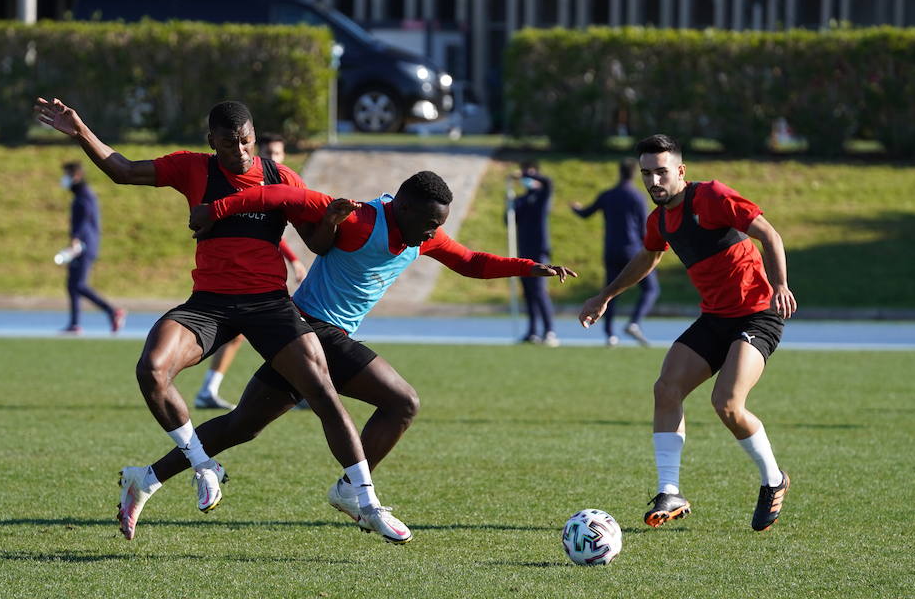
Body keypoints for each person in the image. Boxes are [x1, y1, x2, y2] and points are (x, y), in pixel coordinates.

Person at [113, 171, 576, 540]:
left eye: (440, 224)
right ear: (403, 206)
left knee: (241, 426)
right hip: (311, 329)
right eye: (430, 221)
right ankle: (355, 492)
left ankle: (145, 478)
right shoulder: (360, 220)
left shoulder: (421, 237)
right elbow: (278, 197)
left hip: (305, 337)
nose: (435, 231)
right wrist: (216, 208)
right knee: (403, 402)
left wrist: (530, 267)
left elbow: (471, 262)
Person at [34, 96, 406, 544]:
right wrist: (82, 133)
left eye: (247, 141)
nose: (241, 152)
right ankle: (201, 462)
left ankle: (365, 502)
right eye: (230, 145)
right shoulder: (193, 168)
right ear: (212, 142)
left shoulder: (278, 175)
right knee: (151, 370)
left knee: (320, 389)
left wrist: (328, 219)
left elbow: (318, 244)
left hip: (269, 304)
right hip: (209, 303)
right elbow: (124, 170)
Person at [577, 134, 797, 532]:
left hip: (757, 315)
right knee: (666, 389)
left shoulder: (711, 197)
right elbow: (648, 255)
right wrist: (606, 295)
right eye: (646, 173)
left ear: (680, 171)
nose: (653, 181)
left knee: (727, 404)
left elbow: (770, 235)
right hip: (715, 318)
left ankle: (774, 479)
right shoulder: (658, 220)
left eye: (661, 172)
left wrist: (780, 284)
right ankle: (670, 490)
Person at [194, 132, 307, 410]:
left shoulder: (281, 180)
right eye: (269, 151)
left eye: (279, 153)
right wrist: (293, 261)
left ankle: (301, 389)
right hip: (234, 278)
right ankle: (302, 389)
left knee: (269, 331)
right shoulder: (243, 183)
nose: (273, 157)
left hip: (263, 278)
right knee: (278, 332)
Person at [572, 158, 658, 347]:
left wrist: (576, 208)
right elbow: (645, 228)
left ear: (619, 173)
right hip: (633, 251)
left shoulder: (608, 195)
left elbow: (586, 213)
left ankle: (610, 334)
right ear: (635, 173)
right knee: (651, 289)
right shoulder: (637, 197)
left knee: (609, 294)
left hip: (611, 250)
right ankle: (634, 322)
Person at [57, 161, 126, 335]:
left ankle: (113, 311)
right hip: (81, 244)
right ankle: (74, 324)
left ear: (76, 176)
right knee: (72, 284)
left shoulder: (85, 195)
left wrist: (75, 239)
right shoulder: (79, 194)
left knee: (79, 284)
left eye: (67, 175)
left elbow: (84, 218)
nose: (64, 179)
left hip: (84, 245)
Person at [511, 160, 558, 346]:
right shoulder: (520, 200)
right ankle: (532, 331)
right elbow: (509, 223)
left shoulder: (542, 195)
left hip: (539, 250)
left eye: (530, 175)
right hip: (523, 251)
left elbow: (549, 182)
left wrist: (526, 175)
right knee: (529, 293)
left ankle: (550, 330)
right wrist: (509, 206)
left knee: (539, 291)